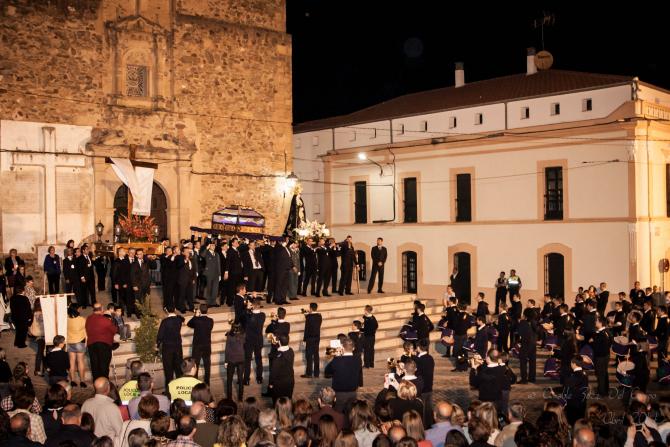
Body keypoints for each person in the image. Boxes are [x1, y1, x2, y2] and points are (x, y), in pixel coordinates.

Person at [324, 338, 361, 413]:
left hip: (339, 394)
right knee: (351, 414)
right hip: (353, 392)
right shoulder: (358, 360)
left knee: (338, 414)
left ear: (342, 348)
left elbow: (327, 371)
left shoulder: (337, 360)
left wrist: (336, 357)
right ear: (353, 348)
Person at [85, 303, 117, 380]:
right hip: (104, 344)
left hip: (91, 345)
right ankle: (104, 383)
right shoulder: (105, 320)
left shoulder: (88, 318)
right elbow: (114, 330)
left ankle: (96, 383)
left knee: (95, 366)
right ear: (102, 309)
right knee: (103, 366)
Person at [157, 309, 185, 387]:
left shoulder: (165, 321)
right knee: (178, 369)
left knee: (168, 371)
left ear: (166, 310)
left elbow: (160, 335)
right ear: (175, 310)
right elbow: (182, 318)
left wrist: (157, 345)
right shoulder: (179, 320)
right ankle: (180, 388)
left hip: (167, 348)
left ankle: (169, 390)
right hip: (178, 347)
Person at [188, 305, 214, 385]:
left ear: (200, 310)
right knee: (207, 364)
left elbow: (189, 324)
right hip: (207, 345)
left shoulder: (196, 320)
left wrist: (195, 316)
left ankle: (195, 382)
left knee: (196, 364)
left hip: (197, 346)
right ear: (207, 310)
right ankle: (207, 382)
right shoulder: (210, 320)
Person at [244, 298, 266, 386]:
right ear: (259, 305)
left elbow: (244, 320)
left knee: (247, 360)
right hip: (258, 340)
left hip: (249, 340)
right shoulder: (262, 315)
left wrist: (247, 309)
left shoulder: (248, 315)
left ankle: (246, 379)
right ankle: (259, 378)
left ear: (253, 305)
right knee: (258, 359)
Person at [268, 335, 295, 405]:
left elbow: (273, 372)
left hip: (279, 384)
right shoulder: (291, 351)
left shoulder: (278, 356)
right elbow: (282, 351)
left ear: (279, 342)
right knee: (287, 402)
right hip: (290, 381)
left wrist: (271, 383)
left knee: (278, 403)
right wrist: (278, 343)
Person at [66, 305, 88, 388]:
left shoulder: (66, 319)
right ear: (77, 310)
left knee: (71, 362)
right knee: (80, 361)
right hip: (80, 341)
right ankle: (82, 381)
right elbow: (85, 330)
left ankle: (72, 380)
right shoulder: (82, 319)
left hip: (70, 342)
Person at [415, 339, 435, 427]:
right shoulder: (430, 358)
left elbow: (416, 374)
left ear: (419, 348)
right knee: (428, 409)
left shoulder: (419, 360)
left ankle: (423, 427)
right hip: (429, 387)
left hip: (421, 389)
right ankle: (430, 425)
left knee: (421, 410)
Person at [225, 323, 246, 401]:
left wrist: (226, 361)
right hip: (241, 359)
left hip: (231, 359)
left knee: (229, 380)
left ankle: (229, 398)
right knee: (240, 379)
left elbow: (227, 349)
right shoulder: (243, 335)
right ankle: (240, 398)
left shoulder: (229, 336)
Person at [516, 308, 538, 384]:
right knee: (532, 361)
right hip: (533, 343)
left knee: (523, 361)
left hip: (525, 343)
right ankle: (532, 378)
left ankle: (524, 379)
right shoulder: (534, 322)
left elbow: (520, 333)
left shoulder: (523, 322)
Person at [592, 316, 611, 398]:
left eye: (596, 321)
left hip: (601, 357)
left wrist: (592, 341)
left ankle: (601, 392)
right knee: (604, 373)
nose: (595, 322)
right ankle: (605, 390)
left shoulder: (601, 334)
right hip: (605, 355)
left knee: (600, 374)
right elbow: (610, 342)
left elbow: (597, 347)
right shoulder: (607, 331)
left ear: (600, 323)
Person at [302, 302, 322, 378]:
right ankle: (316, 373)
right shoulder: (319, 316)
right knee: (316, 355)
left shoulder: (309, 317)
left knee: (309, 356)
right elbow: (314, 320)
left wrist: (304, 339)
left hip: (310, 338)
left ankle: (309, 373)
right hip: (317, 338)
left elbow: (306, 329)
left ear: (310, 308)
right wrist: (308, 315)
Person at [201, 240, 222, 307]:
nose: (213, 247)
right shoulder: (206, 253)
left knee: (215, 289)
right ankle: (208, 302)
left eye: (214, 245)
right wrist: (206, 248)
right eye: (212, 245)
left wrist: (219, 274)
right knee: (209, 288)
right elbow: (202, 255)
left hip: (216, 274)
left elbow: (218, 265)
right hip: (209, 273)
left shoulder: (217, 254)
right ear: (209, 246)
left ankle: (213, 302)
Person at [273, 237, 293, 305]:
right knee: (279, 284)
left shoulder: (286, 247)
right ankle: (277, 299)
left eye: (288, 239)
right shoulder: (278, 247)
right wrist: (284, 244)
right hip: (280, 269)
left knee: (285, 285)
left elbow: (289, 257)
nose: (287, 240)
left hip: (287, 268)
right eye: (286, 239)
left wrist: (292, 266)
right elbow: (278, 251)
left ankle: (283, 299)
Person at [224, 239, 243, 307]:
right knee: (231, 288)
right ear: (232, 243)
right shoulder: (230, 251)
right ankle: (229, 302)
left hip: (238, 272)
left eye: (238, 242)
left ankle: (235, 301)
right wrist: (226, 272)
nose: (237, 243)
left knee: (237, 288)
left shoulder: (237, 250)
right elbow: (228, 262)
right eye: (236, 242)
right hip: (232, 272)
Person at [76, 244, 96, 308]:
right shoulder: (80, 258)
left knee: (92, 291)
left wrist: (94, 259)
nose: (88, 250)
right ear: (83, 250)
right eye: (87, 249)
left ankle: (94, 303)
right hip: (84, 277)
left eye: (88, 249)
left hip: (91, 277)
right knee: (84, 291)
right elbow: (79, 269)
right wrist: (82, 277)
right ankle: (84, 304)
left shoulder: (90, 256)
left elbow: (92, 264)